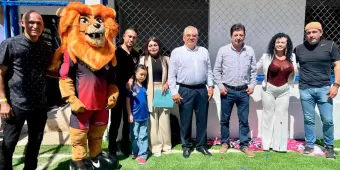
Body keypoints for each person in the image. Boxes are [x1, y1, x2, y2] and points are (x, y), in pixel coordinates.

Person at [0, 10, 52, 170]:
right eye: (31, 22)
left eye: (38, 23)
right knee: (8, 144)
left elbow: (48, 71)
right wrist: (3, 102)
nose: (35, 26)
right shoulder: (10, 44)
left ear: (43, 25)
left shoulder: (45, 47)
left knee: (35, 144)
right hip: (16, 105)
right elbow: (0, 73)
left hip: (39, 105)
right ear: (23, 23)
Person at [294, 22, 339, 159]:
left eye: (314, 32)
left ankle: (329, 146)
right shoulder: (299, 49)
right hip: (305, 89)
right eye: (308, 32)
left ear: (320, 32)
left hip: (324, 89)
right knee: (309, 119)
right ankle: (309, 144)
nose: (311, 35)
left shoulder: (330, 45)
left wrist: (336, 85)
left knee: (328, 119)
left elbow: (337, 65)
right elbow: (289, 65)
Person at [168, 26, 214, 158]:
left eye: (194, 35)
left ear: (197, 37)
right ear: (183, 37)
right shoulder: (177, 52)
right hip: (184, 90)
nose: (191, 37)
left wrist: (210, 86)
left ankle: (201, 146)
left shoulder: (204, 51)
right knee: (185, 120)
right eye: (188, 35)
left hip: (201, 89)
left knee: (202, 120)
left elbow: (208, 71)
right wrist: (174, 92)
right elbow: (171, 75)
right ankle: (186, 146)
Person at [213, 23, 257, 157]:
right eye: (235, 35)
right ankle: (225, 143)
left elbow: (254, 71)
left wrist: (252, 85)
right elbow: (216, 71)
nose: (238, 37)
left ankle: (244, 145)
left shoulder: (249, 50)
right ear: (231, 36)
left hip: (244, 91)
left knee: (244, 120)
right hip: (227, 91)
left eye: (241, 35)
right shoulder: (223, 50)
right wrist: (220, 86)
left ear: (244, 35)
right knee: (224, 119)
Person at [257, 33, 298, 152]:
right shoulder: (266, 56)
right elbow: (254, 68)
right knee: (267, 116)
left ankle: (279, 146)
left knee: (282, 117)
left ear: (287, 44)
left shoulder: (293, 57)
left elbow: (296, 70)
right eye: (277, 42)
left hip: (284, 90)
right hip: (268, 90)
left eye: (282, 43)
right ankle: (266, 145)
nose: (280, 44)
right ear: (274, 44)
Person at [109, 27, 140, 157]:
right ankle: (112, 148)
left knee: (128, 120)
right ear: (124, 36)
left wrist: (132, 78)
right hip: (116, 91)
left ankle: (125, 146)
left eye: (133, 37)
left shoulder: (136, 55)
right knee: (115, 120)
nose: (131, 39)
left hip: (130, 91)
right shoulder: (115, 51)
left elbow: (136, 72)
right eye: (129, 36)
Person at [139, 37, 172, 157]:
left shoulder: (166, 59)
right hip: (150, 90)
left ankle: (166, 146)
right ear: (147, 48)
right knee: (153, 119)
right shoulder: (143, 60)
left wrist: (167, 83)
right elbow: (140, 76)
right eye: (150, 45)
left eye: (155, 45)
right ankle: (156, 147)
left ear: (159, 46)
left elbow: (172, 75)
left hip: (163, 90)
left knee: (164, 117)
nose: (153, 47)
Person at [126, 64, 149, 164]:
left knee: (143, 136)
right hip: (135, 117)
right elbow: (127, 102)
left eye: (145, 75)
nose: (143, 76)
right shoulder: (131, 87)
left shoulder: (144, 89)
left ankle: (143, 154)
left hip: (145, 117)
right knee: (134, 136)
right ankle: (136, 153)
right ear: (135, 73)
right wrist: (129, 114)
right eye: (141, 74)